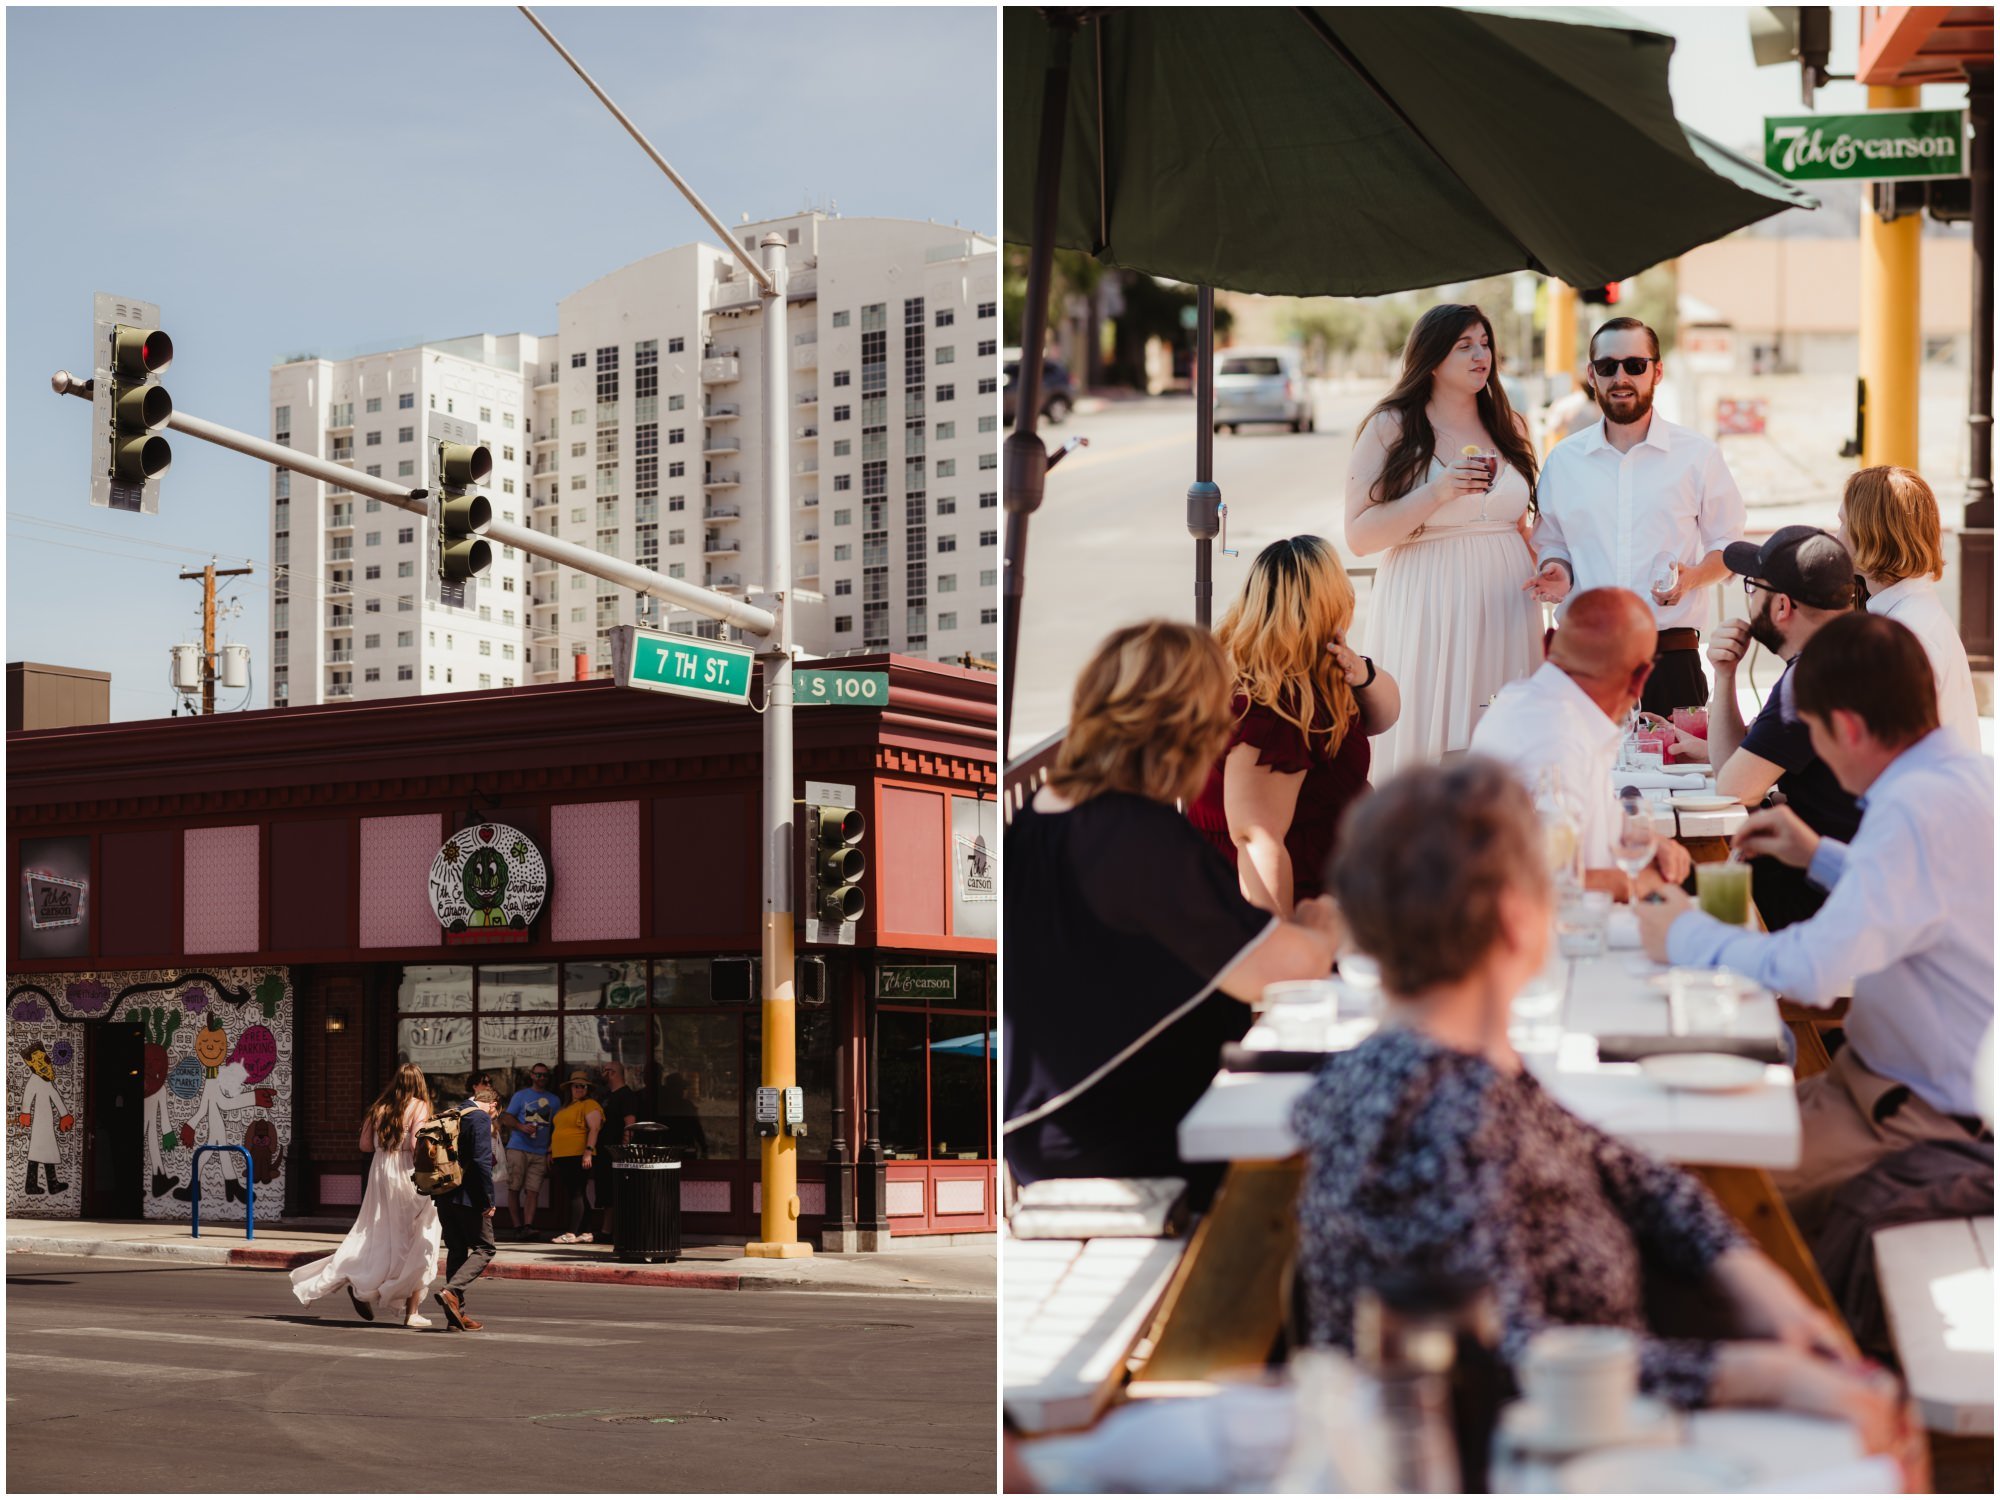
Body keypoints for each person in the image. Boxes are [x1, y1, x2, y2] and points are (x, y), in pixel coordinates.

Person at [1294, 759, 1910, 1448]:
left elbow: (1620, 1165)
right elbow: (1513, 1368)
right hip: (1546, 1451)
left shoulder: (1450, 1062)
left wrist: (1749, 1279)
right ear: (1515, 921)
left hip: (1597, 1422)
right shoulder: (1430, 1115)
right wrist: (1770, 1377)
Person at [1639, 614, 1994, 1238]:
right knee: (1673, 1153)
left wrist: (1683, 935)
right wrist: (1817, 854)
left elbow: (1809, 971)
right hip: (1883, 1087)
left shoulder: (1913, 806)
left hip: (1921, 1117)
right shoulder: (1958, 777)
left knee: (1684, 1204)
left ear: (1850, 729)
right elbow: (1915, 896)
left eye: (1813, 736)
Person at [1004, 621, 1344, 1204]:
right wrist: (1324, 924)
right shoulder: (1132, 835)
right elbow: (1282, 969)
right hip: (1115, 1129)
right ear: (1190, 727)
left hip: (1060, 1121)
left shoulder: (1043, 815)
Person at [1343, 303, 1543, 776]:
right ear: (1431, 358)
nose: (1482, 355)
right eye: (1465, 345)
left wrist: (1550, 562)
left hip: (1506, 605)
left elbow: (1520, 524)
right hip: (1429, 601)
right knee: (1430, 733)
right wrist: (1438, 492)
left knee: (1502, 741)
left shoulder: (1510, 425)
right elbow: (1358, 536)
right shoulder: (1391, 425)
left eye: (1486, 343)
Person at [1528, 317, 1747, 717]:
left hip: (1671, 659)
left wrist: (1693, 577)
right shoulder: (1563, 461)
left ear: (1657, 371)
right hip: (1583, 661)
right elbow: (1552, 542)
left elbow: (1727, 546)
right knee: (1583, 778)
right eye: (1607, 367)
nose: (1621, 377)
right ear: (1592, 375)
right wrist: (1556, 567)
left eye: (1635, 365)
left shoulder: (1698, 455)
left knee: (1680, 777)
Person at [1187, 535, 1400, 915]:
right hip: (1302, 904)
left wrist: (1361, 672)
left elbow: (1386, 716)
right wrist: (1283, 948)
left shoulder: (1313, 672)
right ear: (1330, 604)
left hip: (1345, 879)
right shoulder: (1272, 707)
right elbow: (1257, 840)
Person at [1469, 588, 1692, 897]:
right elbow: (1549, 882)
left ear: (1547, 645)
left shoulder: (1526, 702)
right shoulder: (1557, 735)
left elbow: (1595, 818)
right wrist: (1641, 884)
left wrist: (1651, 842)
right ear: (1640, 679)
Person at [1705, 526, 1862, 931]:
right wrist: (1725, 676)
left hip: (1826, 896)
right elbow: (1734, 775)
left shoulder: (1812, 679)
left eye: (1752, 587)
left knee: (1686, 882)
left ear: (1782, 607)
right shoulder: (1857, 652)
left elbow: (1733, 789)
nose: (1750, 600)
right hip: (1859, 877)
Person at [1837, 465, 1982, 752]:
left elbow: (1886, 752)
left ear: (1871, 533)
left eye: (1842, 524)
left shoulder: (1907, 633)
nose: (1836, 536)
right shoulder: (1907, 613)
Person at [290, 1063, 441, 1329]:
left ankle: (359, 1281)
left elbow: (364, 1145)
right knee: (419, 1237)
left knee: (376, 1232)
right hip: (406, 1173)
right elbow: (418, 1145)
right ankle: (411, 1311)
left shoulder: (379, 1107)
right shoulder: (419, 1107)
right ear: (420, 1084)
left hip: (380, 1171)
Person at [435, 1085, 500, 1332]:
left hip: (443, 1195)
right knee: (485, 1247)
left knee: (457, 1249)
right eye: (496, 1113)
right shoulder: (479, 1117)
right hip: (468, 1197)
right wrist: (488, 1200)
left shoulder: (452, 1113)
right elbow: (481, 1162)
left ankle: (456, 1317)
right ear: (493, 1105)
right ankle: (452, 1291)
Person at [502, 1063, 558, 1240]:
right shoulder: (521, 1096)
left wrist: (551, 1148)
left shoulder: (554, 1100)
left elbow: (558, 1127)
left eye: (545, 1076)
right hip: (518, 1147)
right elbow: (506, 1117)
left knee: (533, 1190)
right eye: (538, 1075)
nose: (541, 1078)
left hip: (540, 1151)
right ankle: (517, 1226)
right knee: (514, 1188)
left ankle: (528, 1226)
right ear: (532, 1076)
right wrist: (520, 1126)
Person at [549, 1071, 604, 1245]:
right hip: (562, 1155)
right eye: (576, 1085)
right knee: (577, 1193)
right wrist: (550, 1151)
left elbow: (594, 1129)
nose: (579, 1088)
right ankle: (587, 1231)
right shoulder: (566, 1106)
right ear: (570, 1088)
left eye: (582, 1086)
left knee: (576, 1193)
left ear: (587, 1089)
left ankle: (571, 1233)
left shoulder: (590, 1104)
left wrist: (588, 1151)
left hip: (578, 1155)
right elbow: (558, 1130)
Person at [596, 1060, 642, 1237]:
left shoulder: (626, 1095)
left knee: (616, 1191)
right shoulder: (607, 1095)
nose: (602, 1074)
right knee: (606, 1191)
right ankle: (605, 1230)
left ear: (612, 1072)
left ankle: (610, 1230)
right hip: (603, 1151)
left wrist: (625, 1151)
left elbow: (630, 1124)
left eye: (604, 1070)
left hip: (617, 1153)